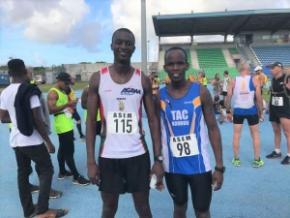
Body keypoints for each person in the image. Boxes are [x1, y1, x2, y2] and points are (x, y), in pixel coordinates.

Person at [86, 28, 164, 218]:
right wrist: (91, 162)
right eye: (119, 42)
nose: (123, 46)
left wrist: (158, 159)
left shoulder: (142, 80)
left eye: (128, 43)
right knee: (109, 209)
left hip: (137, 155)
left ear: (133, 48)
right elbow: (90, 122)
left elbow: (153, 120)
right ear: (111, 46)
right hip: (108, 157)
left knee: (143, 208)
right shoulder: (98, 78)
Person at [159, 47, 224, 218]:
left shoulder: (201, 92)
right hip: (173, 167)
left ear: (186, 65)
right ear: (165, 67)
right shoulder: (159, 96)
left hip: (199, 166)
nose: (175, 68)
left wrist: (219, 167)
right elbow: (154, 130)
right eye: (171, 64)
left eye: (179, 63)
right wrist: (157, 161)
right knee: (179, 207)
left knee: (202, 210)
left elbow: (213, 128)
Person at [0, 59, 67, 218]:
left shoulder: (5, 92)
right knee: (46, 170)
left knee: (22, 174)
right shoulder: (30, 90)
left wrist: (18, 118)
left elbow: (2, 117)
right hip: (32, 140)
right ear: (24, 71)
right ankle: (43, 210)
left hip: (16, 140)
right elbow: (37, 118)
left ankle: (29, 210)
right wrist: (48, 141)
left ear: (9, 74)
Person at [47, 72, 89, 185]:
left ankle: (62, 172)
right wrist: (68, 104)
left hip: (67, 123)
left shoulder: (62, 91)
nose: (67, 86)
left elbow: (65, 105)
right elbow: (50, 110)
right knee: (69, 151)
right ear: (59, 80)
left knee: (62, 149)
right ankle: (76, 177)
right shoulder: (53, 93)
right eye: (65, 83)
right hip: (62, 126)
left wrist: (71, 104)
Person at [226, 61, 264, 168]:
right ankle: (257, 160)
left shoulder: (233, 80)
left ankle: (236, 159)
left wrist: (228, 110)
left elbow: (228, 97)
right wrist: (261, 111)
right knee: (255, 135)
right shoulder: (254, 80)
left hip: (238, 110)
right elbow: (259, 98)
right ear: (247, 68)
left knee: (236, 135)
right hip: (251, 110)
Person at [266, 62, 290, 164]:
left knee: (287, 132)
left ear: (279, 68)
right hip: (273, 107)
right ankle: (277, 151)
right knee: (276, 130)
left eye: (272, 68)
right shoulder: (273, 79)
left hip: (284, 108)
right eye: (270, 68)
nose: (270, 70)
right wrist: (268, 105)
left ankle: (289, 155)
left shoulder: (287, 78)